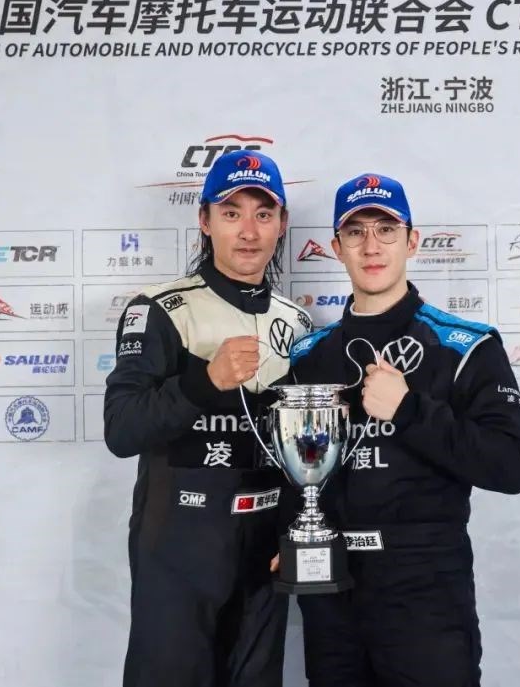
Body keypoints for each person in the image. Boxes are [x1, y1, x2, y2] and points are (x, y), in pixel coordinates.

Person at [288, 173, 520, 687]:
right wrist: (285, 535)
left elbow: (512, 467)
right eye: (355, 232)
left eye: (386, 229)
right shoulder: (309, 357)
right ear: (336, 247)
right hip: (330, 588)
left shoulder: (465, 346)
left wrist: (408, 409)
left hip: (425, 589)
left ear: (412, 241)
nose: (371, 246)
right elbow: (293, 469)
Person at [104, 149, 312, 687]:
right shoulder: (159, 309)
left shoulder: (298, 322)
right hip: (180, 544)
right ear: (204, 220)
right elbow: (121, 429)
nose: (249, 231)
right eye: (231, 212)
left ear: (282, 223)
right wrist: (204, 381)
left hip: (263, 547)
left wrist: (294, 526)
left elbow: (301, 448)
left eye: (263, 214)